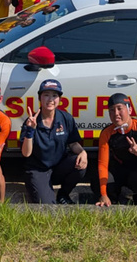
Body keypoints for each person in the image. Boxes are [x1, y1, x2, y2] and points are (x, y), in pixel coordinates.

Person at [21, 71, 88, 204]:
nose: (50, 99)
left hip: (58, 167)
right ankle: (43, 188)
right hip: (38, 170)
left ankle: (63, 195)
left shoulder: (66, 118)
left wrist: (83, 152)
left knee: (80, 164)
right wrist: (30, 130)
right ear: (39, 98)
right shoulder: (31, 121)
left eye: (54, 95)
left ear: (59, 99)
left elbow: (73, 143)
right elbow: (26, 153)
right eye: (46, 95)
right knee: (47, 206)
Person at [95, 93, 137, 206]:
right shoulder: (107, 132)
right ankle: (113, 198)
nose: (116, 113)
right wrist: (103, 194)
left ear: (129, 110)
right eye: (112, 110)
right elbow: (102, 165)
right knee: (97, 181)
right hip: (118, 169)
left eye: (120, 109)